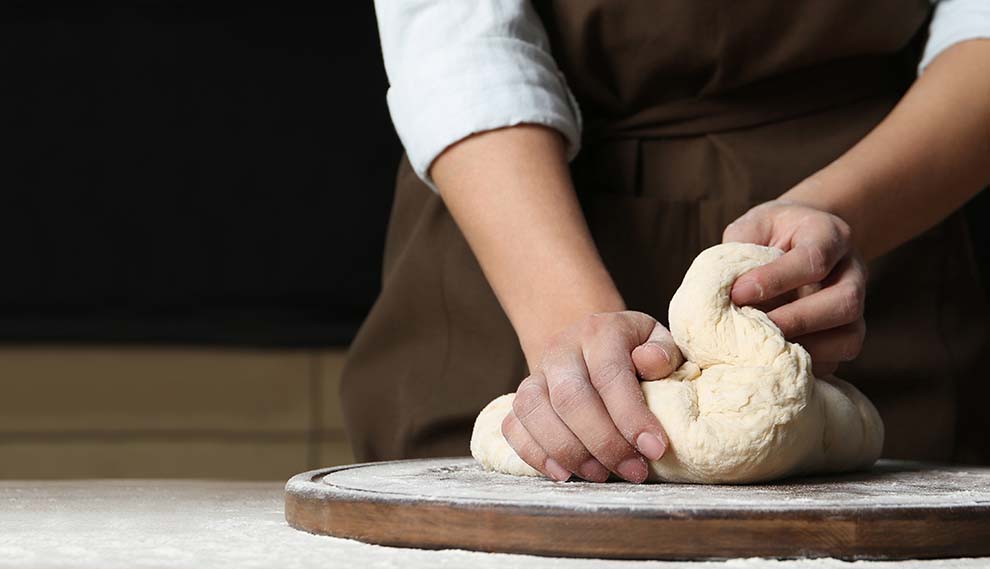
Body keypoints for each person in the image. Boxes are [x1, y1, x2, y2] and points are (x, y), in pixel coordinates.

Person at [342, 0, 990, 482]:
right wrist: (576, 341)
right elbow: (456, 39)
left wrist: (836, 215)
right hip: (518, 217)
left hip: (869, 220)